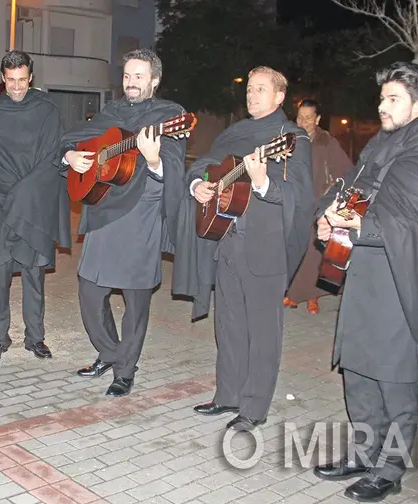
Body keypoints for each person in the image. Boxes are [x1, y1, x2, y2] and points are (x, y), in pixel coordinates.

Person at [311, 62, 418, 502]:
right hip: (363, 266)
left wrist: (344, 223)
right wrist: (326, 216)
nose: (382, 105)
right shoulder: (380, 141)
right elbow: (347, 186)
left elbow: (401, 211)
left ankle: (390, 468)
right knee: (358, 366)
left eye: (393, 99)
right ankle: (364, 452)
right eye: (382, 97)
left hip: (397, 272)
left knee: (392, 374)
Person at [172, 66, 313, 432]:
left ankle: (254, 406)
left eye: (261, 90)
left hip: (266, 247)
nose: (252, 95)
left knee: (263, 331)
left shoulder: (292, 137)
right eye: (250, 89)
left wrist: (265, 183)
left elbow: (300, 195)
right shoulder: (235, 132)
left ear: (280, 96)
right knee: (229, 326)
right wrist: (199, 185)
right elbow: (205, 164)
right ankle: (228, 395)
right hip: (227, 241)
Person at [60, 48, 187, 397]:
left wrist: (155, 158)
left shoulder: (170, 114)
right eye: (127, 76)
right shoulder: (112, 111)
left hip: (141, 212)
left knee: (135, 297)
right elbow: (72, 140)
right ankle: (110, 353)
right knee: (90, 290)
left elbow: (174, 168)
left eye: (139, 77)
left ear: (155, 80)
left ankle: (125, 370)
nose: (130, 83)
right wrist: (72, 156)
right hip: (104, 206)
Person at [0, 51, 70, 361]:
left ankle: (36, 338)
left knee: (34, 272)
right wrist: (11, 189)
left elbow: (51, 158)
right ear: (2, 79)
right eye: (10, 80)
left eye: (22, 80)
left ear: (31, 77)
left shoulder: (47, 111)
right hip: (1, 201)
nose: (16, 87)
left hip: (34, 203)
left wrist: (24, 190)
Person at [285, 98, 353, 314]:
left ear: (318, 119)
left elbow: (346, 173)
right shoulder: (290, 138)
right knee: (293, 247)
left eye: (308, 118)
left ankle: (312, 296)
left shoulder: (326, 142)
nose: (303, 122)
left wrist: (331, 197)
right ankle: (292, 293)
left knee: (313, 253)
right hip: (294, 202)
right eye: (300, 117)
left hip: (317, 204)